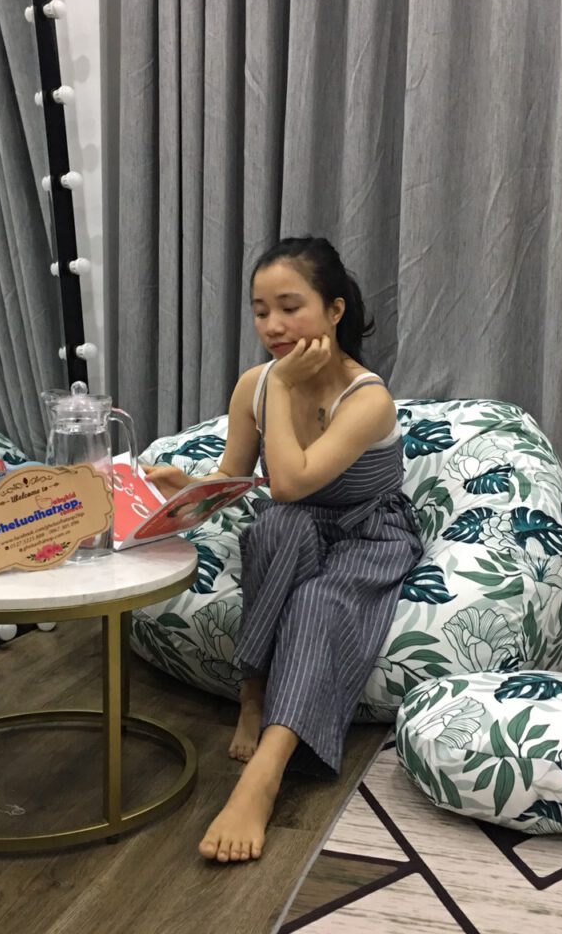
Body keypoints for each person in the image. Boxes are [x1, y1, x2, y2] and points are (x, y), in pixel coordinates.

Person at [144, 236, 422, 864]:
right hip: (299, 521)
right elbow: (240, 477)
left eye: (290, 308)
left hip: (368, 530)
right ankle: (254, 693)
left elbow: (292, 481)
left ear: (334, 311)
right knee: (274, 529)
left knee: (319, 601)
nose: (272, 325)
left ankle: (264, 777)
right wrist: (187, 487)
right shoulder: (256, 383)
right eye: (261, 310)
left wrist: (283, 390)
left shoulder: (367, 398)